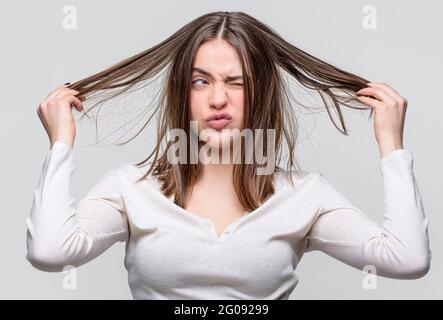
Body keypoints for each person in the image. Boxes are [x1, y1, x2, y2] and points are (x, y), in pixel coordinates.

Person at [26, 11, 431, 299]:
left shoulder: (307, 196)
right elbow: (49, 251)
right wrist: (61, 142)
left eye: (236, 82)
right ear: (181, 95)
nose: (217, 99)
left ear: (261, 93)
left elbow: (408, 259)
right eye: (200, 81)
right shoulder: (131, 189)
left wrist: (391, 146)